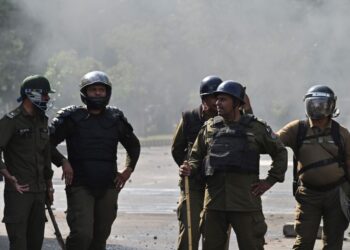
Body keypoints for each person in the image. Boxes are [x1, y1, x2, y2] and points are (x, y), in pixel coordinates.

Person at [180, 80, 287, 250]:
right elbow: (195, 157)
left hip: (245, 203)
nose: (217, 103)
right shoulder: (209, 128)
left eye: (223, 99)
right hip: (214, 203)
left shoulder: (256, 128)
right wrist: (189, 168)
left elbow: (280, 153)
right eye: (217, 99)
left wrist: (269, 181)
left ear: (236, 103)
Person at [49, 71, 141, 250]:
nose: (98, 93)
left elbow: (134, 146)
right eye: (93, 90)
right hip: (80, 184)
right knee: (82, 234)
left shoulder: (115, 119)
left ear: (107, 93)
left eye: (101, 90)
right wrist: (63, 161)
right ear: (85, 93)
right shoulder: (72, 118)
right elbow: (47, 144)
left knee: (100, 236)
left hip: (108, 185)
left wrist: (128, 169)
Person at [277, 85, 350, 250]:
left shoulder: (342, 133)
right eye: (313, 104)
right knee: (303, 243)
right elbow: (271, 143)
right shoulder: (297, 129)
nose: (316, 108)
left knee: (333, 243)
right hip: (308, 195)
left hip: (337, 195)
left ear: (330, 106)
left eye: (321, 104)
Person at [0, 75, 55, 250]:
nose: (47, 98)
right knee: (19, 244)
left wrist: (49, 184)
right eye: (44, 94)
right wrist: (7, 175)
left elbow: (45, 155)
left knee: (35, 244)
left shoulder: (43, 120)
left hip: (39, 192)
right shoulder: (11, 121)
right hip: (19, 193)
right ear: (31, 94)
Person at [172, 75, 222, 250]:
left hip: (217, 184)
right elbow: (176, 148)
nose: (217, 102)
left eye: (220, 97)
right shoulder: (189, 117)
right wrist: (187, 166)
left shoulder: (228, 119)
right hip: (192, 183)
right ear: (203, 98)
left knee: (214, 234)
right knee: (189, 231)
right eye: (212, 97)